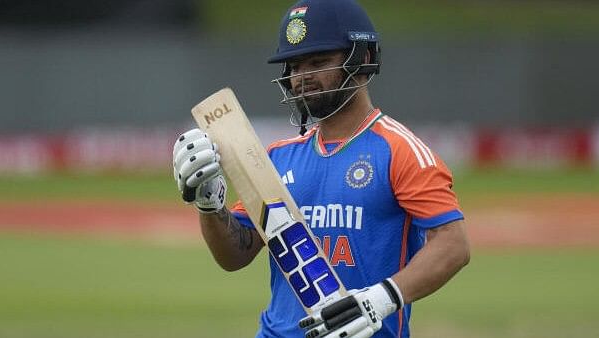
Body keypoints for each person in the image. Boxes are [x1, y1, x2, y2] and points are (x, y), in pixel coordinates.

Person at [172, 0, 470, 337]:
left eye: (318, 62)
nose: (302, 78)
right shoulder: (275, 158)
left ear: (363, 59)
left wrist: (382, 298)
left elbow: (453, 244)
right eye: (295, 66)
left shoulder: (400, 150)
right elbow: (235, 255)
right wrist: (209, 205)